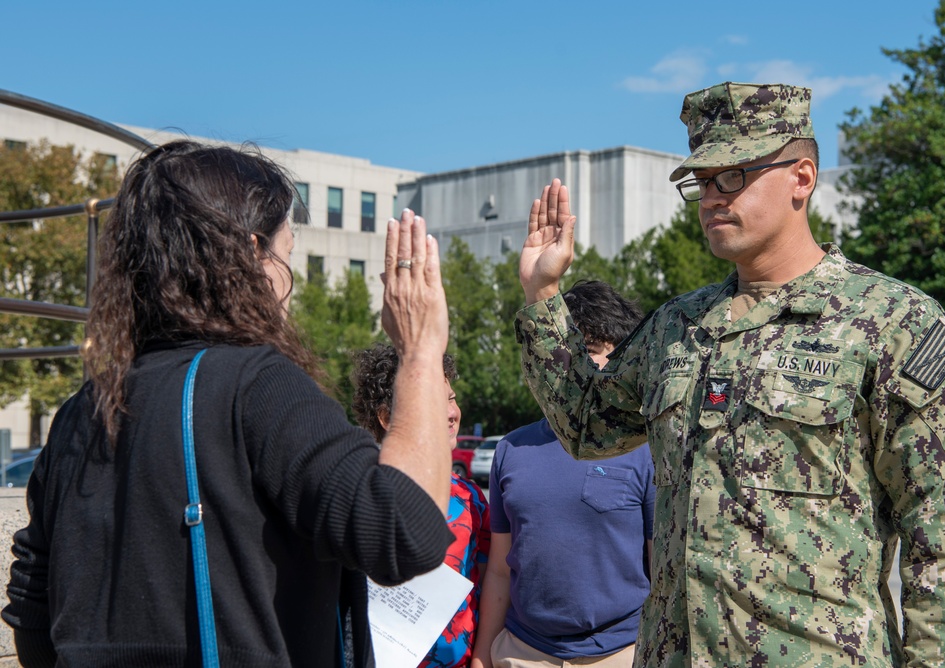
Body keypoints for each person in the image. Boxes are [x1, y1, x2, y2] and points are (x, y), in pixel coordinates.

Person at [515, 82, 945, 667]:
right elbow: (587, 427)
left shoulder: (893, 324)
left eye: (735, 174)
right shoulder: (677, 327)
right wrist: (543, 294)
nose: (714, 196)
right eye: (704, 181)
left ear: (802, 177)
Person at [2, 140, 456, 668]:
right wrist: (420, 352)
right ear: (249, 255)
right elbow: (406, 530)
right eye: (286, 255)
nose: (292, 283)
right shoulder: (258, 385)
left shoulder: (82, 410)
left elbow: (34, 614)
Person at [471, 280, 655, 668]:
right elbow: (502, 572)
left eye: (587, 352)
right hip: (523, 652)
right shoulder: (511, 449)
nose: (566, 365)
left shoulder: (647, 449)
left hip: (622, 652)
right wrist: (484, 655)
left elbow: (664, 571)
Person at [352, 342, 490, 668]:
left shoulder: (471, 499)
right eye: (434, 402)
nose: (451, 413)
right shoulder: (357, 493)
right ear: (387, 417)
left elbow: (489, 587)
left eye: (452, 398)